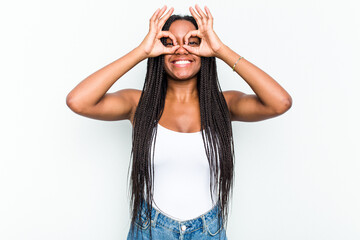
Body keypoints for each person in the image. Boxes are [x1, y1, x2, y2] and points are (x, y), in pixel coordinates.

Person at [66, 4, 292, 240]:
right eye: (170, 42)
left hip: (208, 231)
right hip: (151, 230)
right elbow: (78, 101)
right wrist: (141, 51)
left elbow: (280, 102)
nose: (181, 49)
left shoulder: (223, 104)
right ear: (158, 50)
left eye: (192, 42)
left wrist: (220, 49)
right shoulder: (139, 104)